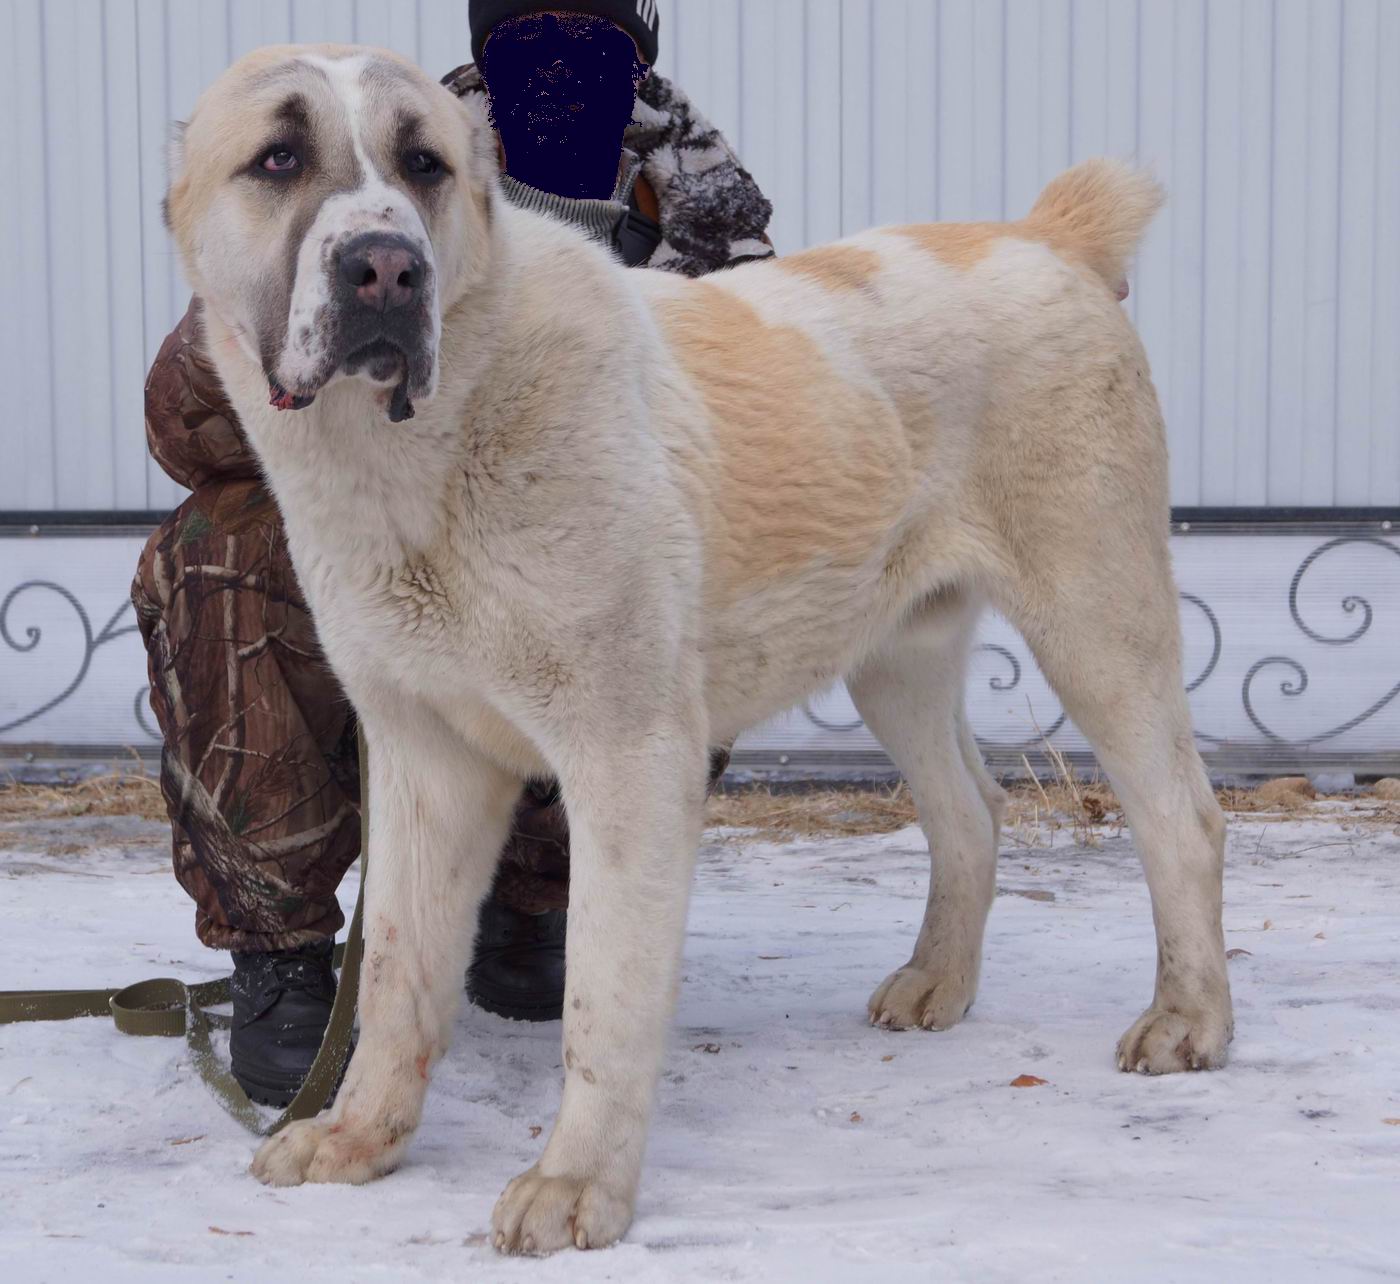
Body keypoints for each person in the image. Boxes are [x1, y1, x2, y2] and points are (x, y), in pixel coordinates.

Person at [131, 1, 775, 1107]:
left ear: (638, 51)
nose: (560, 66)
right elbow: (180, 431)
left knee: (663, 569)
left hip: (549, 592)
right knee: (216, 548)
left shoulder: (707, 207)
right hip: (377, 574)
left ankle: (533, 906)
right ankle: (283, 952)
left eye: (592, 39)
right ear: (488, 45)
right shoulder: (384, 135)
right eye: (533, 34)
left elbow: (755, 429)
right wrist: (290, 329)